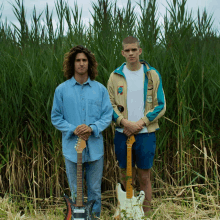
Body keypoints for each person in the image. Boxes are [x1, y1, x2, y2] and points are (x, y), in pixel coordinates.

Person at [51, 45, 113, 218]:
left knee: (94, 191)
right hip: (72, 149)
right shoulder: (61, 90)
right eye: (77, 60)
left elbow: (107, 115)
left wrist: (92, 128)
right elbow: (56, 117)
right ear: (72, 64)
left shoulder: (100, 89)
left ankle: (95, 217)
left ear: (89, 63)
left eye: (84, 60)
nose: (81, 64)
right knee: (75, 191)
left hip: (95, 150)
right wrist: (74, 129)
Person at [107, 36, 166, 216]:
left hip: (145, 133)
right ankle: (128, 212)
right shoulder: (115, 76)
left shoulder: (152, 74)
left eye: (134, 50)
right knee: (126, 175)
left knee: (144, 176)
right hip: (122, 132)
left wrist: (141, 123)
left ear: (140, 51)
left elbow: (161, 104)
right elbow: (108, 105)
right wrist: (124, 122)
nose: (131, 53)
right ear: (123, 52)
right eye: (127, 50)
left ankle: (146, 214)